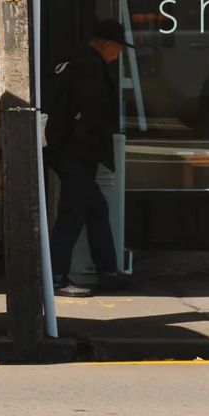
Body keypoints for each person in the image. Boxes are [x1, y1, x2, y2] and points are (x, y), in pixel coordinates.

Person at [45, 18, 134, 296]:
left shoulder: (74, 60)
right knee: (73, 213)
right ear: (108, 45)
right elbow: (91, 105)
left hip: (65, 147)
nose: (117, 55)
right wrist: (100, 133)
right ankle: (57, 276)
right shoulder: (89, 65)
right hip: (76, 150)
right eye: (118, 49)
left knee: (96, 209)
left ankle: (107, 270)